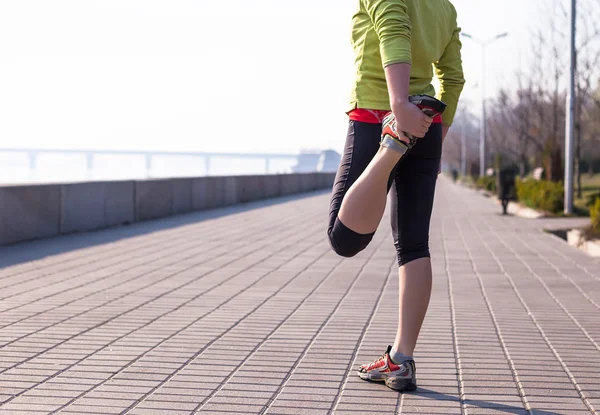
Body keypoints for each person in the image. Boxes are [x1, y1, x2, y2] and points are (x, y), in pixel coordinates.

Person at [327, 0, 465, 392]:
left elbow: (394, 33)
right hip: (427, 122)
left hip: (382, 116)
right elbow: (453, 79)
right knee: (414, 245)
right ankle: (401, 361)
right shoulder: (446, 8)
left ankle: (391, 147)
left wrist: (399, 108)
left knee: (344, 238)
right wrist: (436, 131)